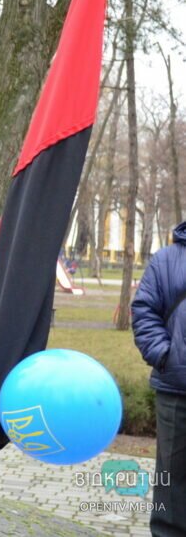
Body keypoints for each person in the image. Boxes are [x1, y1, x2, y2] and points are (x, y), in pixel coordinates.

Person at [131, 220, 186, 537]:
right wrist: (166, 355)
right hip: (177, 391)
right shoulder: (166, 259)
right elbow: (144, 310)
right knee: (172, 482)